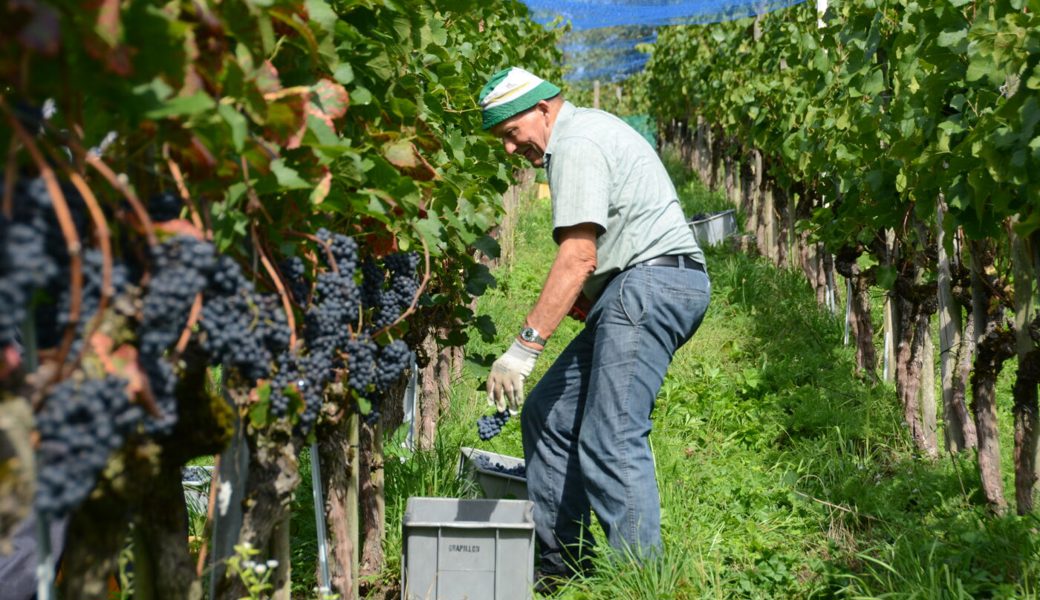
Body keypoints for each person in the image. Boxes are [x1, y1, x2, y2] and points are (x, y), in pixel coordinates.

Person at [479, 66, 711, 587]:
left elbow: (579, 255)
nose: (511, 150)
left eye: (512, 135)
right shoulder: (585, 133)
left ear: (541, 109)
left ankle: (640, 582)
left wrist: (522, 350)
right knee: (549, 415)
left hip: (650, 285)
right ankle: (562, 571)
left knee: (611, 437)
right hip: (640, 286)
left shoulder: (577, 141)